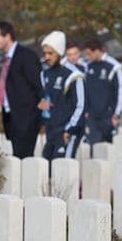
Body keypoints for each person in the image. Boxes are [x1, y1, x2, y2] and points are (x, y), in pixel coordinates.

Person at [0, 21, 47, 159]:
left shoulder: (26, 55)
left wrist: (36, 114)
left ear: (7, 36)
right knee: (17, 158)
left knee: (25, 158)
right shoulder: (6, 58)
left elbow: (38, 85)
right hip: (12, 116)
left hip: (26, 118)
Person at [40, 31, 85, 160]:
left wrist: (69, 130)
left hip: (67, 132)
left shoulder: (74, 75)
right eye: (45, 53)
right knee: (46, 165)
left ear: (59, 52)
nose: (47, 56)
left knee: (63, 169)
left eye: (50, 53)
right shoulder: (44, 74)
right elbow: (46, 101)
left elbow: (80, 106)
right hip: (51, 131)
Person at [83, 39, 122, 145]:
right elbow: (86, 90)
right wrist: (86, 111)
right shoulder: (88, 66)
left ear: (97, 51)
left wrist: (116, 114)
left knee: (108, 149)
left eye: (89, 54)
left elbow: (120, 90)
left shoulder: (114, 67)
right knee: (94, 147)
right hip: (92, 116)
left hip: (108, 116)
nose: (88, 57)